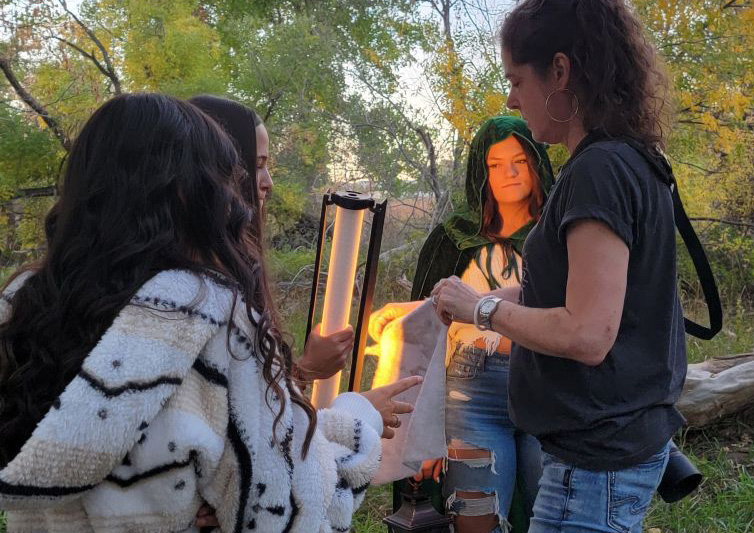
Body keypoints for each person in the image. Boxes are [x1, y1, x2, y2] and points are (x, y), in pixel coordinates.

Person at [0, 93, 421, 532]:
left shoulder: (26, 310)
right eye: (234, 173)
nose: (260, 185)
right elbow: (295, 509)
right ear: (187, 192)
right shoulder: (205, 317)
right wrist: (359, 420)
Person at [431, 1, 684, 531]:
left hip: (594, 467)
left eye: (517, 79)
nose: (510, 97)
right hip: (613, 452)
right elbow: (577, 296)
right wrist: (489, 300)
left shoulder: (599, 170)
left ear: (561, 71)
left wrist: (481, 310)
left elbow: (588, 333)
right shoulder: (629, 157)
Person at [371, 116, 554, 533]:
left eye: (519, 161)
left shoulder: (563, 234)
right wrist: (425, 433)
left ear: (537, 165)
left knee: (555, 514)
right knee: (476, 518)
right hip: (470, 394)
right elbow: (427, 327)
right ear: (480, 172)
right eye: (495, 164)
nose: (508, 174)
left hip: (550, 387)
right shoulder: (453, 239)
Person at [189, 95, 351, 388]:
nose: (267, 182)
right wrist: (308, 370)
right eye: (256, 165)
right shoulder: (202, 288)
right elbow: (238, 416)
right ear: (218, 170)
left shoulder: (232, 263)